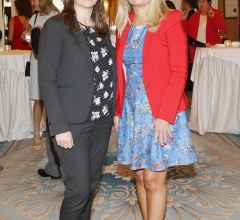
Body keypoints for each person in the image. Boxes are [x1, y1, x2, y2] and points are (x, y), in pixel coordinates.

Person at [114, 0, 198, 219]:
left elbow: (179, 71)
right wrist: (117, 110)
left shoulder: (170, 19)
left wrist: (164, 115)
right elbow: (120, 74)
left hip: (159, 111)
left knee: (153, 180)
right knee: (140, 177)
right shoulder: (125, 23)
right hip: (132, 112)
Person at [38, 0, 117, 219]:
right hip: (72, 124)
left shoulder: (102, 28)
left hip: (101, 120)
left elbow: (108, 73)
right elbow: (47, 79)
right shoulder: (56, 26)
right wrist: (59, 126)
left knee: (89, 187)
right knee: (79, 190)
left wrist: (115, 111)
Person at [29, 0, 59, 151]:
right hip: (36, 59)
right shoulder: (33, 18)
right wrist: (28, 37)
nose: (32, 2)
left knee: (50, 97)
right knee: (37, 98)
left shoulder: (55, 16)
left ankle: (53, 132)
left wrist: (42, 32)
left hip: (50, 61)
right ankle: (36, 133)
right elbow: (33, 41)